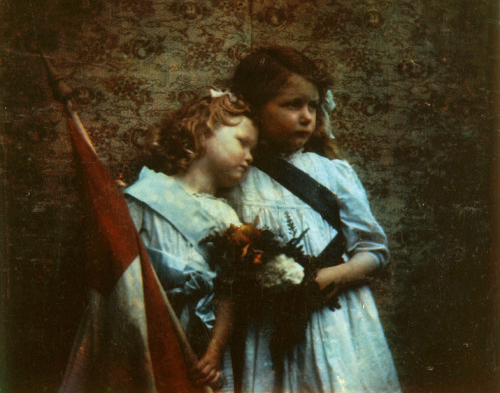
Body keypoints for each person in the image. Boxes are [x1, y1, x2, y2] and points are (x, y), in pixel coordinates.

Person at [226, 46, 401, 393]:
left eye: (313, 106)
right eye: (292, 105)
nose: (307, 116)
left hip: (339, 322)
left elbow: (374, 251)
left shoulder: (334, 174)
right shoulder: (237, 176)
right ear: (256, 108)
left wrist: (334, 275)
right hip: (268, 328)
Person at [124, 90, 258, 391]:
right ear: (203, 134)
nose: (250, 157)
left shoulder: (227, 218)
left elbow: (229, 291)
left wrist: (213, 352)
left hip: (202, 347)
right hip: (148, 336)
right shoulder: (147, 195)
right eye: (243, 142)